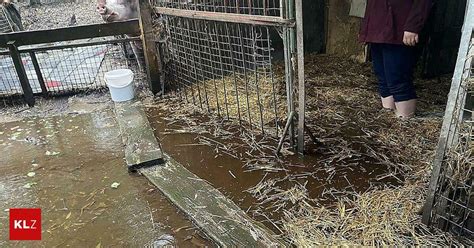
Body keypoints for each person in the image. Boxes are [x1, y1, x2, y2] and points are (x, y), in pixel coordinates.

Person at [360, 0, 432, 118]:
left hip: (400, 26)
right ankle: (388, 116)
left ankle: (405, 121)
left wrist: (413, 26)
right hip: (378, 24)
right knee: (382, 75)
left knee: (397, 77)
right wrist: (366, 29)